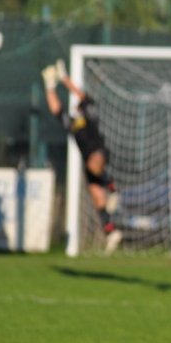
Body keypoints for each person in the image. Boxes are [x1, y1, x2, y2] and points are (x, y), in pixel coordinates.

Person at [41, 60, 122, 254]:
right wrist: (49, 86)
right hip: (89, 162)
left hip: (98, 153)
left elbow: (81, 95)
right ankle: (111, 232)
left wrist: (64, 78)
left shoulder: (88, 113)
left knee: (94, 164)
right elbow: (56, 109)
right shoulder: (70, 122)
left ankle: (113, 190)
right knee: (98, 199)